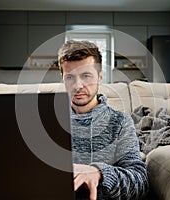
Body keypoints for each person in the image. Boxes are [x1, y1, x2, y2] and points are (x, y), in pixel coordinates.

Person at [58, 40, 149, 200]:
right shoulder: (48, 122)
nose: (78, 85)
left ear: (100, 77)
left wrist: (99, 172)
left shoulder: (120, 122)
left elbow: (139, 182)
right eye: (70, 77)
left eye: (86, 76)